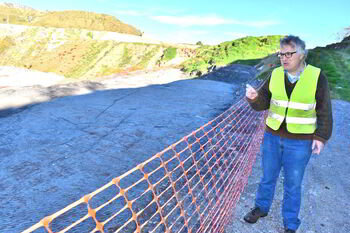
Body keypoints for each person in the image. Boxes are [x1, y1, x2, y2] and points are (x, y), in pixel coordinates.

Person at [244, 35, 333, 233]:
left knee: (293, 184)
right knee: (267, 176)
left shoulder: (317, 76)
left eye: (289, 54)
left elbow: (325, 110)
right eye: (281, 54)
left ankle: (290, 223)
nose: (284, 58)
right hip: (272, 137)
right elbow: (263, 102)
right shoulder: (275, 74)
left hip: (300, 142)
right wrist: (254, 98)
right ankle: (261, 207)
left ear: (302, 54)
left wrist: (321, 137)